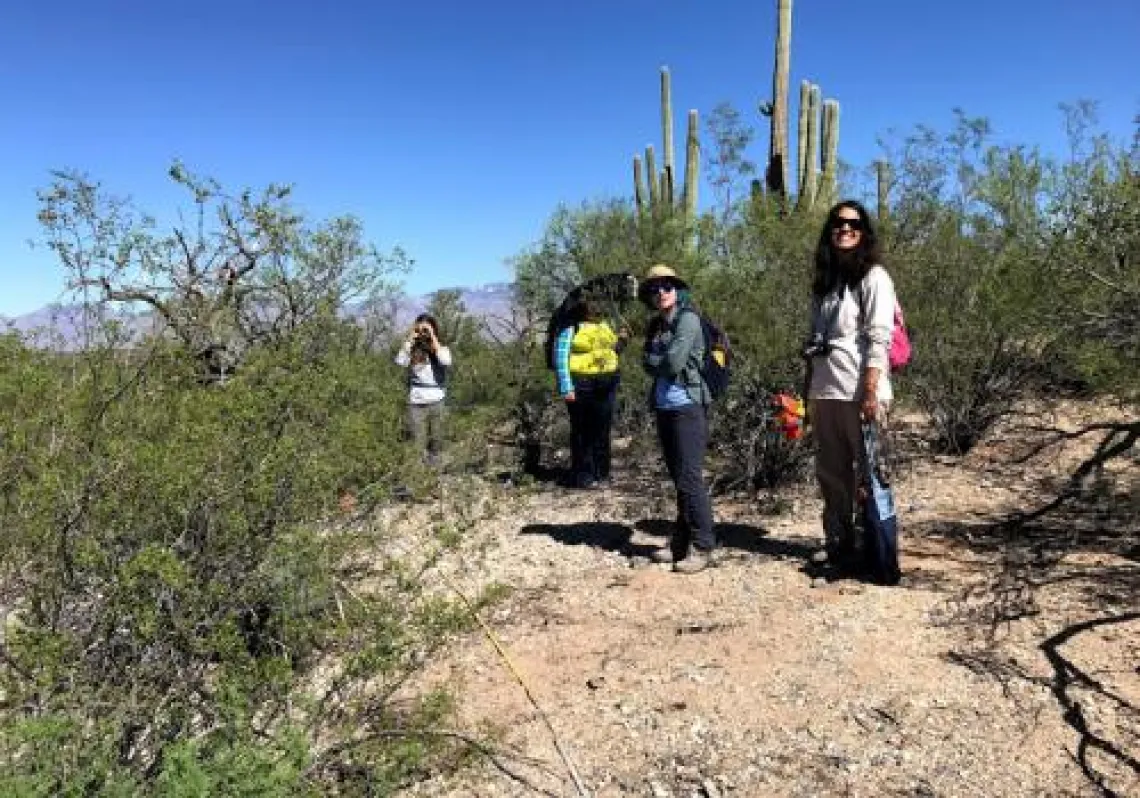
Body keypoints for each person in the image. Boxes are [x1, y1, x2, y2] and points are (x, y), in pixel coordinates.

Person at [803, 200, 897, 575]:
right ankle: (838, 542)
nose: (845, 229)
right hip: (825, 391)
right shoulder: (825, 283)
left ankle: (875, 548)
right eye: (838, 224)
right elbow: (813, 340)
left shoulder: (873, 277)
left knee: (870, 474)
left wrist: (871, 391)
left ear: (864, 232)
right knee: (832, 474)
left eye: (853, 224)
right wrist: (807, 391)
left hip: (859, 391)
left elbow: (880, 337)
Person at [640, 264, 716, 574]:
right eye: (655, 288)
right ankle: (681, 543)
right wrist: (653, 360)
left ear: (677, 290)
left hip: (687, 406)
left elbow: (671, 363)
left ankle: (703, 545)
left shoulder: (688, 321)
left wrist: (652, 359)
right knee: (678, 479)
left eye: (667, 286)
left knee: (689, 478)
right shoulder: (656, 325)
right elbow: (648, 361)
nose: (661, 292)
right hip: (664, 406)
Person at [554, 297, 627, 488]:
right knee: (581, 430)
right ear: (582, 306)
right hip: (580, 383)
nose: (596, 306)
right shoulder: (570, 326)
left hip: (606, 382)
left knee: (602, 429)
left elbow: (612, 351)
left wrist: (622, 341)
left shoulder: (605, 324)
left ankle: (602, 474)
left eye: (598, 303)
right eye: (591, 303)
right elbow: (560, 356)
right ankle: (583, 475)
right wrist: (566, 386)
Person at [395, 313, 452, 466]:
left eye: (426, 329)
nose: (423, 333)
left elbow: (446, 361)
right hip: (416, 401)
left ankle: (435, 473)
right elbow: (400, 362)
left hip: (437, 400)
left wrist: (432, 336)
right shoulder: (411, 349)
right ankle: (419, 476)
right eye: (420, 330)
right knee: (417, 443)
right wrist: (410, 339)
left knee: (436, 441)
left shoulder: (441, 349)